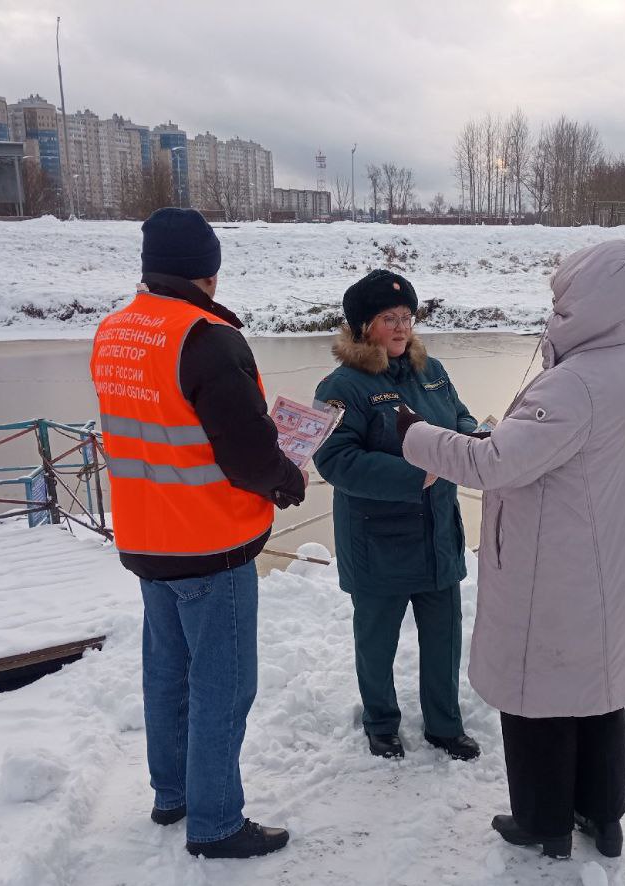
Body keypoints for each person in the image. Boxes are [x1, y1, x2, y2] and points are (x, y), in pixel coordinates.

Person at [397, 240, 625, 859]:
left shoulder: (577, 383)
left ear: (589, 301)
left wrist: (413, 433)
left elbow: (492, 464)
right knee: (597, 695)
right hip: (610, 565)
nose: (555, 307)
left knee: (538, 695)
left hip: (558, 573)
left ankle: (543, 821)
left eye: (563, 299)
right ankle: (603, 816)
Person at [89, 208, 307, 859]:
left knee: (168, 671)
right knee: (223, 684)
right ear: (208, 270)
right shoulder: (206, 337)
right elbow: (244, 452)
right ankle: (214, 822)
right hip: (209, 543)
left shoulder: (115, 331)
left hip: (146, 537)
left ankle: (173, 793)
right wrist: (284, 476)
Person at [313, 270, 482, 763]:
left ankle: (445, 725)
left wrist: (477, 437)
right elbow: (335, 460)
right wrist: (417, 473)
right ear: (365, 326)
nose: (402, 326)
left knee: (444, 639)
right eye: (390, 318)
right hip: (378, 544)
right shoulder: (342, 385)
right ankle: (381, 723)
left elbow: (459, 417)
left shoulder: (432, 372)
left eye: (407, 316)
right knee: (377, 643)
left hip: (437, 536)